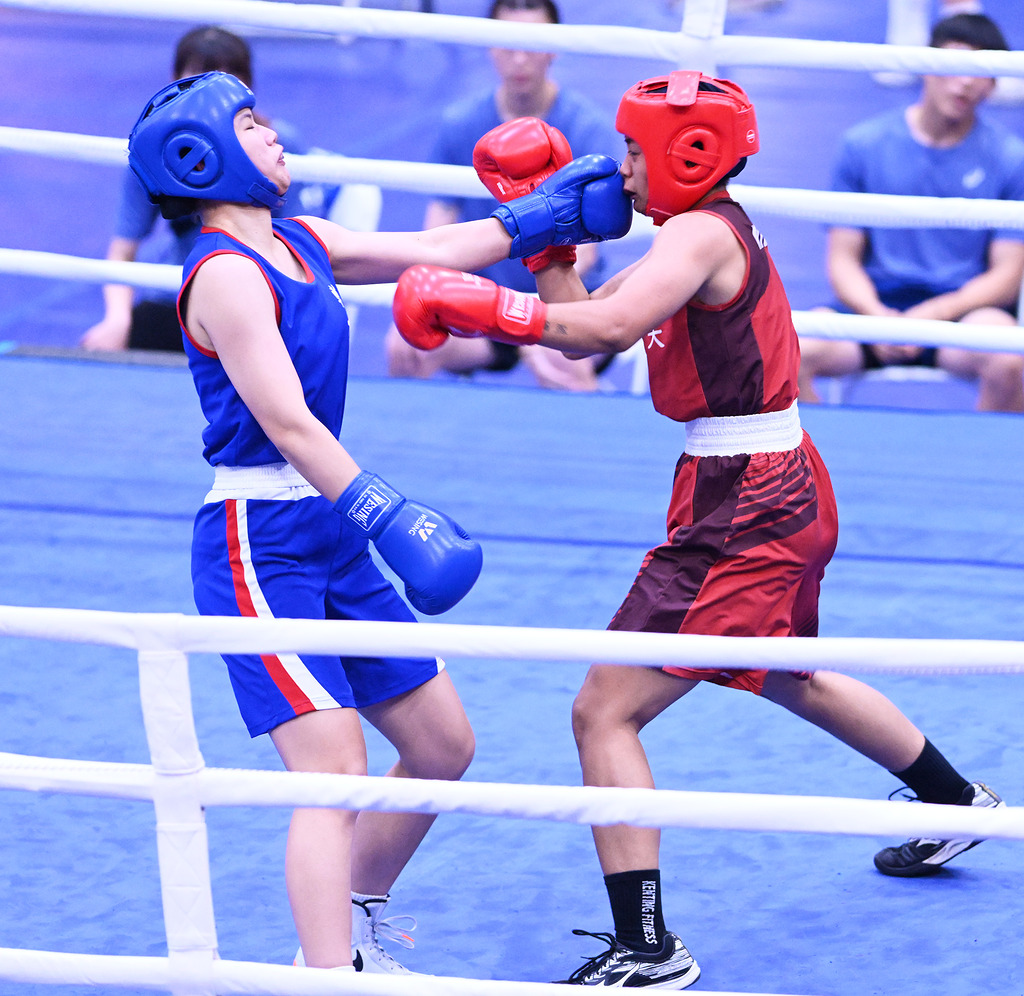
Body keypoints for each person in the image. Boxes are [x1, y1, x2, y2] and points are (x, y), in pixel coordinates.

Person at [391, 71, 1005, 989]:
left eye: (635, 151)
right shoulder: (695, 230)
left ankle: (648, 948)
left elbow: (603, 328)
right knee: (788, 671)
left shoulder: (699, 235)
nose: (623, 169)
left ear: (689, 154)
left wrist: (486, 306)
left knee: (604, 710)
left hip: (748, 503)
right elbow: (587, 316)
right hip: (766, 482)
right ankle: (958, 802)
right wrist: (546, 238)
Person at [125, 70, 628, 972]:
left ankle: (352, 929)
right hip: (259, 538)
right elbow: (288, 422)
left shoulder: (301, 241)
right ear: (201, 158)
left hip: (330, 525)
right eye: (251, 124)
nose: (273, 134)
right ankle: (325, 979)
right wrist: (386, 512)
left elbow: (431, 245)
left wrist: (538, 219)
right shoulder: (225, 275)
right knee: (329, 772)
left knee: (441, 745)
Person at [384, 0, 622, 392]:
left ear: (554, 47)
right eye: (508, 45)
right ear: (491, 47)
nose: (520, 59)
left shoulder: (586, 128)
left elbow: (588, 255)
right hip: (485, 305)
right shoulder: (461, 124)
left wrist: (532, 318)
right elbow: (436, 233)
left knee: (564, 367)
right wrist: (431, 303)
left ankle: (596, 420)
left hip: (566, 301)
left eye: (532, 44)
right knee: (407, 348)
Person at [800, 14, 1024, 413]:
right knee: (787, 353)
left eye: (980, 72)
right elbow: (842, 258)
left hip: (963, 315)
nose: (966, 82)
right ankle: (815, 451)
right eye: (955, 66)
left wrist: (935, 314)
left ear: (993, 85)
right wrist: (879, 318)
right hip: (873, 310)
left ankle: (978, 454)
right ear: (926, 65)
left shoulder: (1011, 158)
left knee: (1011, 360)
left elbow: (1007, 275)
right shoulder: (863, 144)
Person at [82, 25, 335, 354]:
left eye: (228, 76)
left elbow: (298, 244)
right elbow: (123, 250)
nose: (213, 89)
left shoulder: (275, 143)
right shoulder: (153, 153)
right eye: (201, 75)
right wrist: (117, 319)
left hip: (261, 294)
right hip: (176, 297)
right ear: (175, 80)